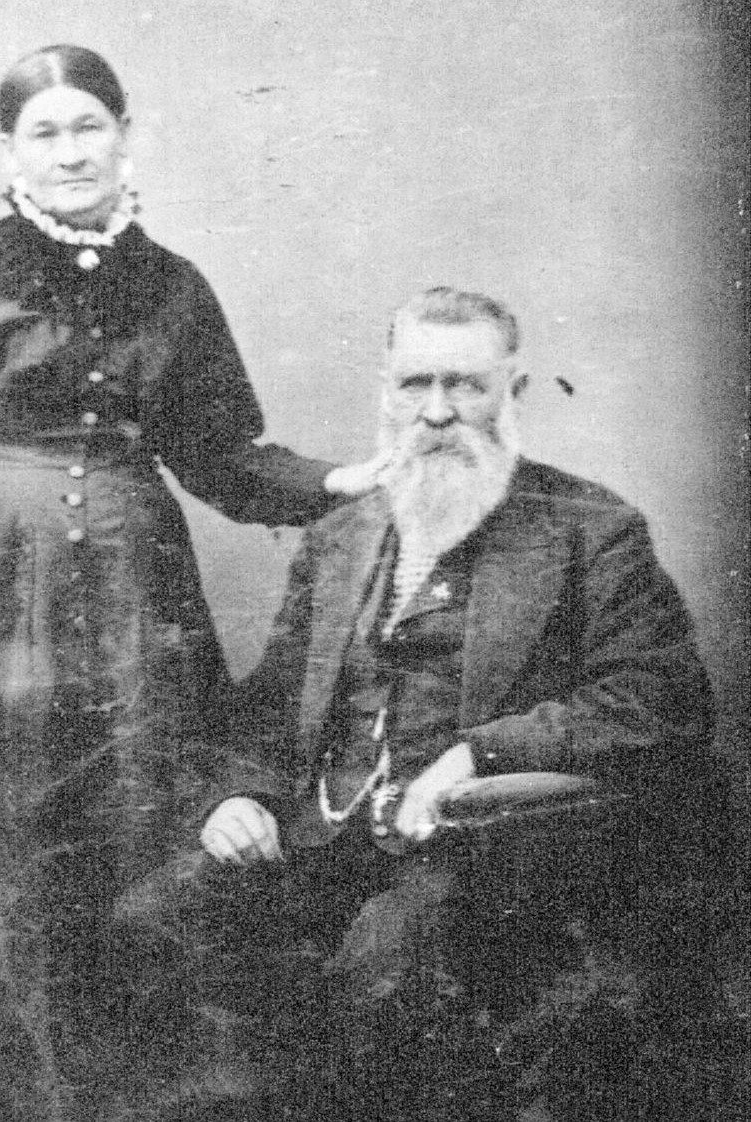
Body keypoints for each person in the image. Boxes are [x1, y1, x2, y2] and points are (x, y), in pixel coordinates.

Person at [0, 44, 384, 1122]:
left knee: (146, 861)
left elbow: (222, 456)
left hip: (140, 618)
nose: (71, 150)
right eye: (46, 132)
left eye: (90, 126)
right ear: (11, 152)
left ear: (126, 136)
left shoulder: (173, 286)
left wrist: (335, 482)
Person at [115, 287, 717, 1120]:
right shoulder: (340, 535)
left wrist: (480, 752)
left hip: (487, 851)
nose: (437, 412)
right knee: (152, 921)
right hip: (322, 840)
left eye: (465, 385)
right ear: (386, 391)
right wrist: (235, 796)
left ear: (514, 391)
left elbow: (659, 698)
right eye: (415, 384)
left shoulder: (590, 528)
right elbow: (270, 707)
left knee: (386, 960)